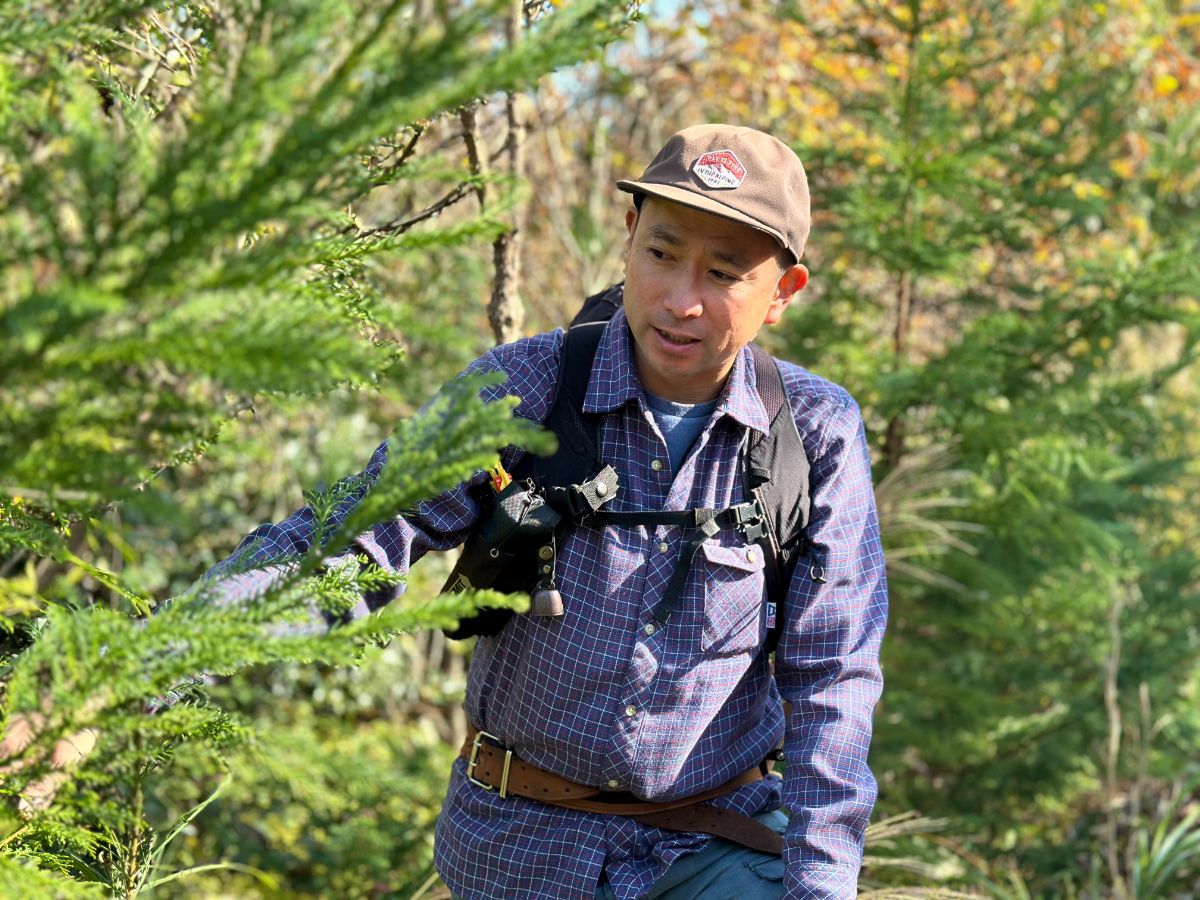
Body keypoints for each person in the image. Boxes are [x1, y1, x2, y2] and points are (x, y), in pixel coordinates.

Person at [209, 124, 888, 899]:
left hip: (711, 846)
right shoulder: (523, 387)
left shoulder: (812, 433)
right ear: (629, 238)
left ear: (782, 294)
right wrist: (158, 657)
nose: (681, 300)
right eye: (662, 254)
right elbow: (348, 543)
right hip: (520, 845)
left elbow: (834, 674)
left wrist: (821, 884)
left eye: (723, 274)